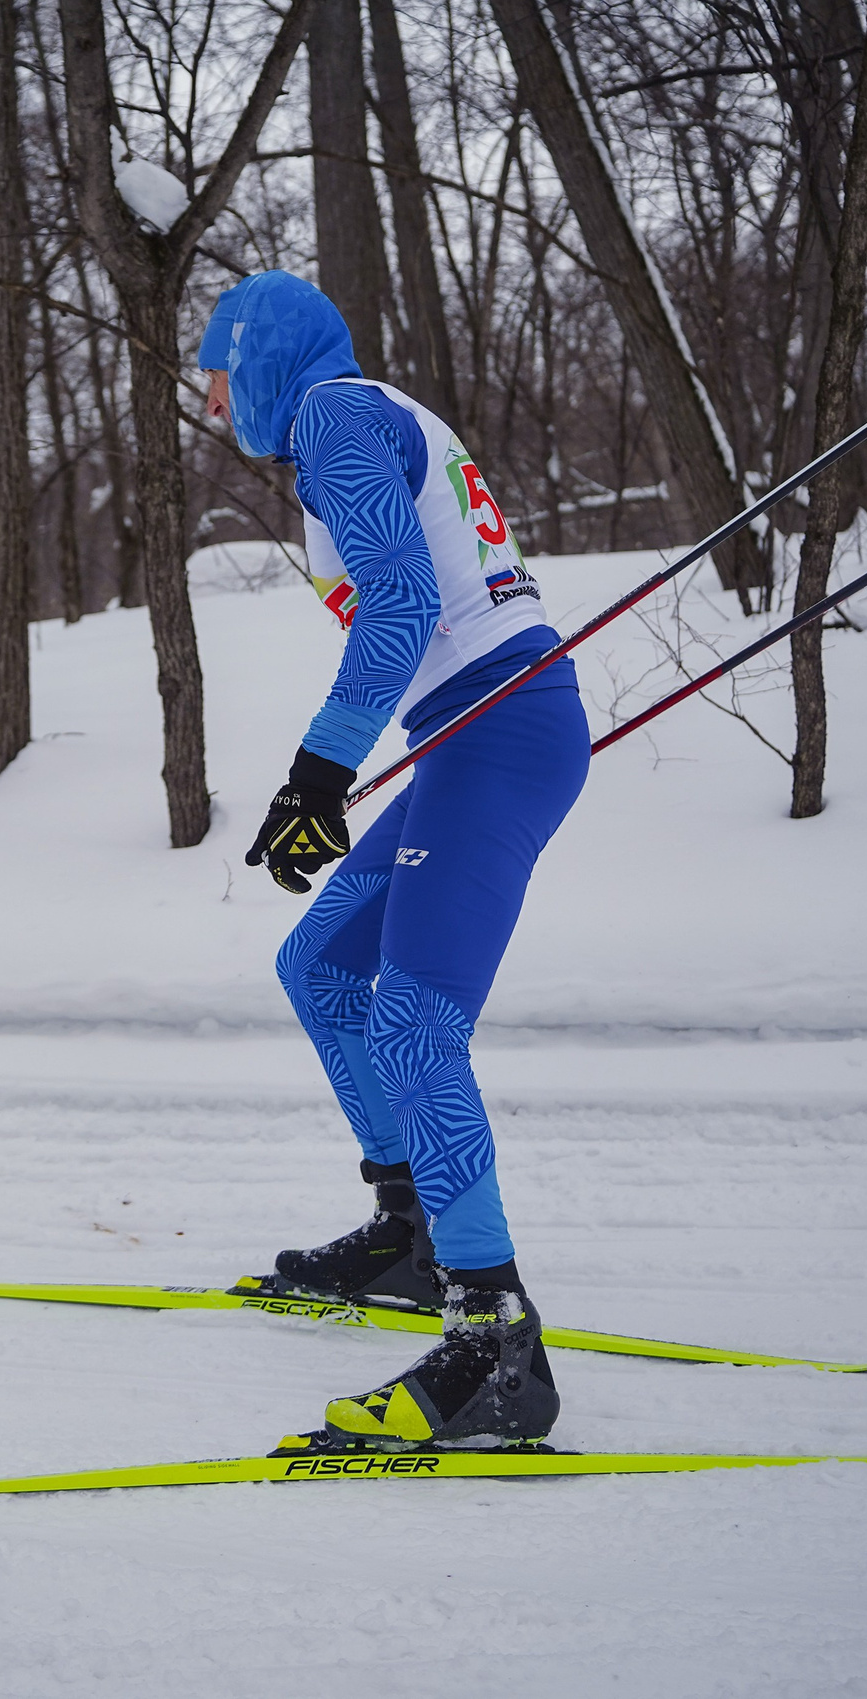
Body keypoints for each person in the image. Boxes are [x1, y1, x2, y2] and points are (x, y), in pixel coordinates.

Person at [198, 271, 589, 1449]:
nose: (212, 399)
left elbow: (405, 607)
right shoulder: (355, 420)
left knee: (415, 1025)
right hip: (465, 734)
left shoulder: (329, 415)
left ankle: (495, 1343)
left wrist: (318, 770)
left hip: (497, 728)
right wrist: (329, 771)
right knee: (319, 964)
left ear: (258, 355)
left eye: (216, 371)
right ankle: (412, 1231)